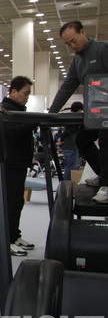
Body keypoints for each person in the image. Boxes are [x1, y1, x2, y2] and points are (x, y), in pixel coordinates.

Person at [48, 20, 108, 203]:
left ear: (83, 32)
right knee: (82, 140)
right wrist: (51, 114)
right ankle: (103, 176)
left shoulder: (103, 49)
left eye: (74, 40)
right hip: (94, 112)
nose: (72, 46)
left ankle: (107, 184)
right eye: (68, 44)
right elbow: (67, 87)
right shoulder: (77, 62)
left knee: (106, 141)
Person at [1, 76, 36, 257]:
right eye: (25, 93)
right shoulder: (6, 110)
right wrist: (33, 122)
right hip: (11, 163)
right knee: (11, 203)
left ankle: (14, 236)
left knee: (17, 202)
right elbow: (12, 133)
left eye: (29, 94)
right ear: (13, 91)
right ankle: (7, 241)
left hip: (19, 162)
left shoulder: (17, 110)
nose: (27, 97)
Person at [57, 102, 83, 181]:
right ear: (79, 110)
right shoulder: (74, 118)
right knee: (71, 166)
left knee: (69, 165)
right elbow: (68, 131)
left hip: (68, 146)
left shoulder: (68, 116)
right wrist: (61, 140)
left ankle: (66, 182)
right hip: (71, 146)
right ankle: (66, 183)